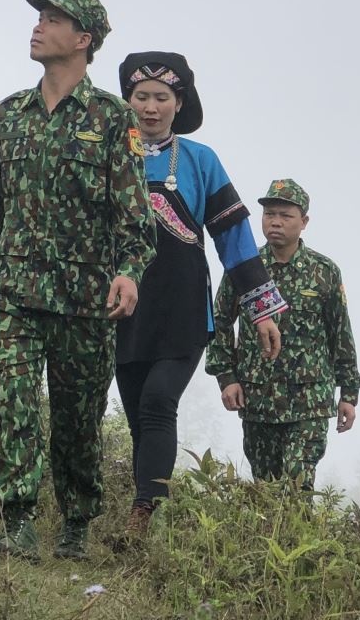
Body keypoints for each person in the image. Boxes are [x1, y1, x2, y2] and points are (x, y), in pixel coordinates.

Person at [0, 0, 155, 562]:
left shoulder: (111, 120)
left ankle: (77, 519)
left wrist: (127, 271)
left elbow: (135, 215)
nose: (38, 27)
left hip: (84, 301)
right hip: (14, 295)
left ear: (83, 39)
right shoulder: (8, 116)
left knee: (77, 422)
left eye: (53, 20)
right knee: (15, 407)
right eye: (39, 18)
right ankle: (16, 522)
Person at [113, 52, 286, 534]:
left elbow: (233, 238)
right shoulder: (107, 153)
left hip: (182, 310)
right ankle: (146, 508)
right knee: (137, 417)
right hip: (121, 308)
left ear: (179, 102)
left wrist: (262, 311)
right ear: (127, 100)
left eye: (161, 98)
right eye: (141, 96)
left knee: (157, 403)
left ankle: (145, 511)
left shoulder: (199, 159)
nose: (150, 107)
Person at [206, 178, 360, 491]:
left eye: (285, 215)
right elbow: (220, 320)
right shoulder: (245, 268)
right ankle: (267, 541)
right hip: (258, 399)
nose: (275, 222)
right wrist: (226, 377)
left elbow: (340, 332)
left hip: (310, 400)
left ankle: (299, 539)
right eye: (269, 214)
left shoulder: (324, 271)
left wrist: (348, 394)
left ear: (303, 222)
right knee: (265, 488)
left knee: (297, 482)